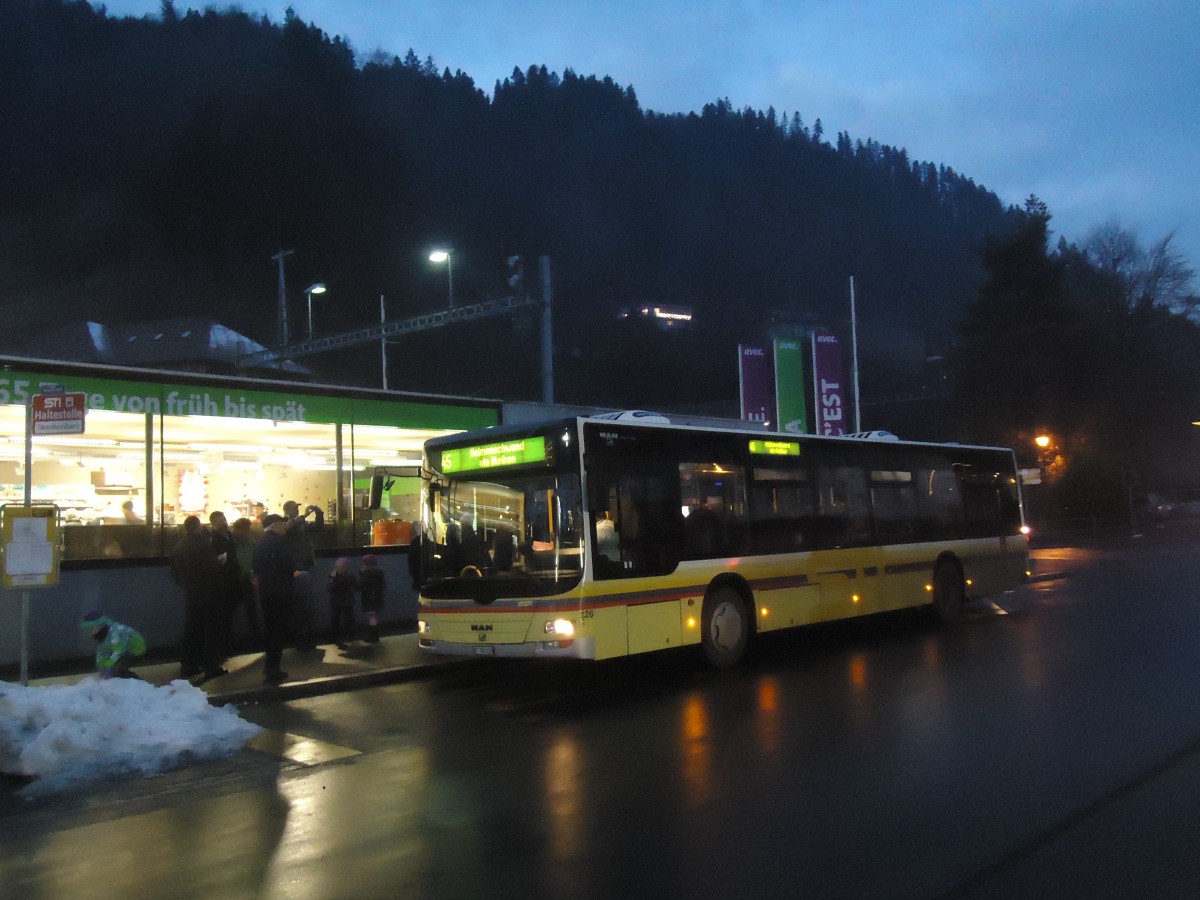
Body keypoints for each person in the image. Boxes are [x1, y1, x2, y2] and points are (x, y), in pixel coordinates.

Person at [170, 515, 226, 682]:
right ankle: (211, 666)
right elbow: (211, 570)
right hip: (207, 594)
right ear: (198, 527)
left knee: (192, 629)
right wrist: (219, 563)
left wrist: (186, 585)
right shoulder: (203, 545)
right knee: (210, 631)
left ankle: (188, 665)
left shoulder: (179, 546)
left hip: (191, 593)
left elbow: (174, 572)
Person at [253, 514, 295, 683]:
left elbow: (255, 566)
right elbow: (289, 565)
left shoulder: (261, 543)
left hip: (266, 592)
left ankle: (271, 667)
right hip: (280, 592)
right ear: (275, 525)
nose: (284, 526)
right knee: (278, 631)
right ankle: (273, 668)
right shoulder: (280, 543)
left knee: (271, 630)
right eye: (282, 523)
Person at [283, 500, 323, 651]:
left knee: (306, 602)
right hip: (297, 565)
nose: (298, 510)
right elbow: (287, 528)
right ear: (288, 510)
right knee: (300, 602)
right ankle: (300, 638)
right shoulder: (284, 523)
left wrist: (319, 514)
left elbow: (318, 528)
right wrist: (305, 516)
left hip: (305, 563)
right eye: (295, 508)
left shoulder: (302, 524)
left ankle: (306, 637)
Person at [208, 510, 241, 658]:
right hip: (224, 582)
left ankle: (227, 645)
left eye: (225, 519)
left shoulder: (228, 536)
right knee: (224, 616)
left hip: (231, 580)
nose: (225, 522)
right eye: (222, 520)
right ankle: (224, 647)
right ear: (214, 523)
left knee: (228, 615)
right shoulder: (214, 539)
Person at [81, 609, 146, 679]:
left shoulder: (116, 632)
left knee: (118, 670)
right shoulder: (100, 635)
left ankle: (136, 683)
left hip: (134, 648)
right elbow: (101, 650)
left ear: (101, 625)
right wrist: (101, 665)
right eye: (87, 629)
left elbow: (119, 651)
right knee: (113, 669)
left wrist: (109, 664)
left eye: (92, 628)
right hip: (120, 648)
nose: (89, 631)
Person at [230, 516, 264, 647]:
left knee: (238, 611)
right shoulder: (250, 542)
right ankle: (256, 639)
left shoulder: (233, 541)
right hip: (243, 579)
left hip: (241, 579)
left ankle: (234, 640)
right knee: (251, 610)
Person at [328, 557, 358, 647]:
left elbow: (330, 588)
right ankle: (349, 635)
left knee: (335, 619)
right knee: (348, 618)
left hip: (336, 600)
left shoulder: (333, 576)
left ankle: (335, 637)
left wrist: (333, 578)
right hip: (348, 599)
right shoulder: (350, 576)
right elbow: (355, 586)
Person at [359, 553, 386, 643]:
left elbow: (362, 585)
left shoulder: (366, 574)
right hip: (377, 597)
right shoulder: (379, 573)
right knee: (374, 617)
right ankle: (375, 635)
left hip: (369, 598)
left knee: (372, 617)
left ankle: (373, 635)